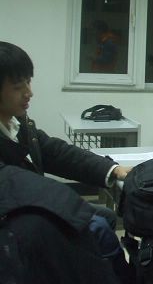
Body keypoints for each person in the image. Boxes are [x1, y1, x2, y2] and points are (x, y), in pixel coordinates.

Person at [0, 41, 134, 283]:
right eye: (19, 86)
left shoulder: (16, 122)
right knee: (98, 228)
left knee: (105, 217)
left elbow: (55, 152)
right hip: (16, 228)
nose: (29, 93)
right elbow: (15, 186)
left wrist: (113, 169)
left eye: (29, 82)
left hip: (33, 213)